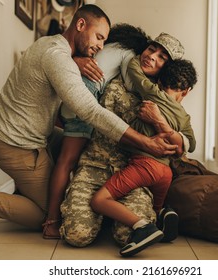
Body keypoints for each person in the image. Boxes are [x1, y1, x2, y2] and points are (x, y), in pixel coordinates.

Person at [0, 5, 177, 237]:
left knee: (82, 150)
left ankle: (72, 195)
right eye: (98, 38)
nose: (100, 47)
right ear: (80, 25)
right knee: (51, 212)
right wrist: (145, 142)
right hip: (15, 143)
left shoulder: (51, 44)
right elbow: (90, 110)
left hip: (33, 133)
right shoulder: (57, 57)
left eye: (104, 41)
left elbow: (59, 65)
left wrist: (76, 60)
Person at [60, 33, 195, 254]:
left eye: (161, 57)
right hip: (95, 165)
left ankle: (118, 218)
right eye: (151, 49)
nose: (152, 57)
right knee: (77, 235)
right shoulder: (112, 78)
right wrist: (78, 60)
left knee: (127, 235)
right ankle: (101, 218)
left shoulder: (165, 98)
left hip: (132, 172)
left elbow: (185, 143)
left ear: (168, 69)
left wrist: (160, 122)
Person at [43, 23, 152, 239]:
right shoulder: (129, 54)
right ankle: (52, 221)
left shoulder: (108, 47)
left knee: (65, 161)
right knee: (67, 162)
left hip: (68, 99)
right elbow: (131, 83)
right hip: (84, 102)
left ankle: (63, 214)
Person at [90, 55, 198, 257]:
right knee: (154, 210)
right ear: (186, 91)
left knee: (99, 200)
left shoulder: (152, 92)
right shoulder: (184, 116)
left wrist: (140, 52)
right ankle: (163, 215)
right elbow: (190, 144)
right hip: (165, 173)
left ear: (159, 80)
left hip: (144, 166)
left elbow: (132, 67)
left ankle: (142, 227)